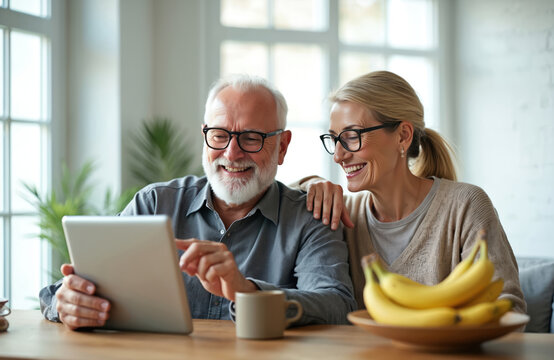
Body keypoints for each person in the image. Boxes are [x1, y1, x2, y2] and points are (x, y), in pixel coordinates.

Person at [39, 74, 356, 330]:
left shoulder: (311, 216)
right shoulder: (154, 203)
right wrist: (67, 302)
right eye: (219, 135)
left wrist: (246, 293)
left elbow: (336, 305)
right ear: (204, 136)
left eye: (251, 138)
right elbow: (67, 288)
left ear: (282, 146)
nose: (232, 154)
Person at [292, 70, 526, 313]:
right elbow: (274, 202)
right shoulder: (343, 213)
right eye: (334, 140)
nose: (339, 156)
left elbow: (508, 309)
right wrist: (311, 183)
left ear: (403, 136)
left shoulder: (465, 205)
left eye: (352, 136)